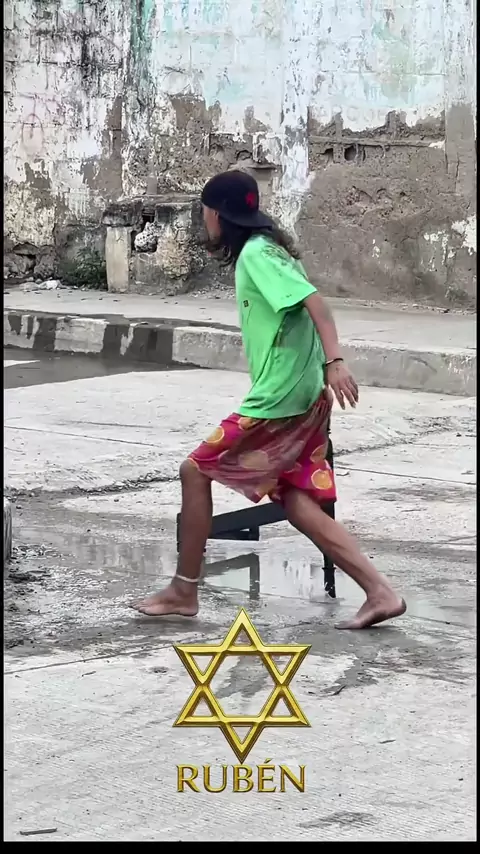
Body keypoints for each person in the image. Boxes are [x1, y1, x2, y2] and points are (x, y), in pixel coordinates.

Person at [132, 170, 406, 629]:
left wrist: (335, 361)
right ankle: (380, 592)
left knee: (194, 470)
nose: (205, 220)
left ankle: (183, 590)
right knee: (295, 499)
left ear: (217, 215)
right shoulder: (270, 249)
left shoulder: (257, 255)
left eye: (205, 212)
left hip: (281, 399)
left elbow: (315, 303)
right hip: (305, 396)